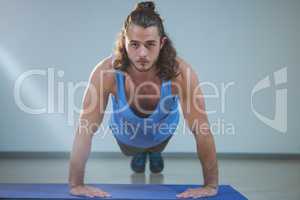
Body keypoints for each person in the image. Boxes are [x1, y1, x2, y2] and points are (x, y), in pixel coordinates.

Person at [68, 1, 219, 199]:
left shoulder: (180, 73)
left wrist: (210, 185)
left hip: (161, 134)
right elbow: (85, 128)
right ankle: (142, 153)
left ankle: (151, 152)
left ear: (162, 43)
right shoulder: (106, 73)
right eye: (134, 44)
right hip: (126, 136)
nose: (142, 54)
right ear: (124, 42)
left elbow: (202, 130)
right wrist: (76, 184)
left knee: (154, 146)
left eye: (150, 45)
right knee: (133, 150)